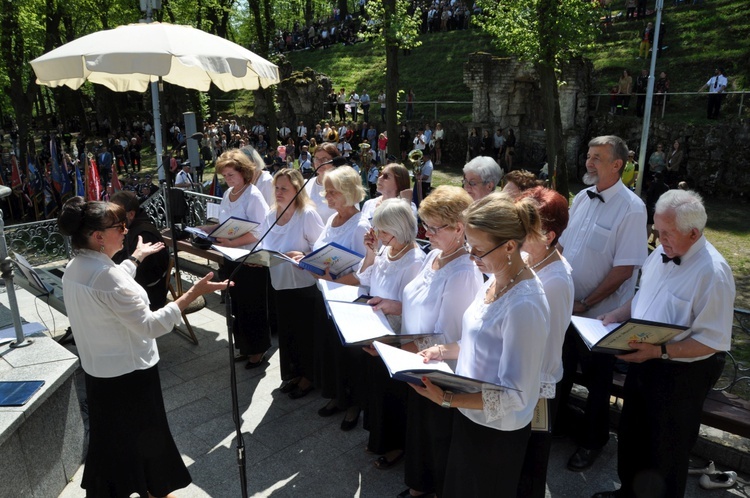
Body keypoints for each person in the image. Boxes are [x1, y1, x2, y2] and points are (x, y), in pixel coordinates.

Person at [58, 197, 228, 498]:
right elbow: (151, 326)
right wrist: (191, 293)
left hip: (100, 373)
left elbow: (110, 285)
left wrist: (135, 258)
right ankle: (155, 488)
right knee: (147, 436)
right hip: (130, 373)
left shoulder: (77, 265)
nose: (126, 230)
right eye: (119, 227)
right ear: (98, 237)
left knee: (113, 439)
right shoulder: (106, 277)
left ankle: (147, 488)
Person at [592, 190, 734, 498]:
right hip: (646, 357)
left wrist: (659, 351)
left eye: (666, 233)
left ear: (694, 233)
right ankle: (627, 492)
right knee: (632, 437)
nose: (659, 238)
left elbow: (713, 342)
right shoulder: (661, 252)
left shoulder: (714, 274)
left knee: (666, 451)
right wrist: (617, 314)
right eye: (657, 229)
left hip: (681, 374)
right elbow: (646, 295)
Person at [413, 193, 550, 497]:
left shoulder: (524, 305)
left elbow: (515, 394)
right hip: (469, 414)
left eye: (478, 248)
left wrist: (448, 399)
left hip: (495, 433)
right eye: (469, 245)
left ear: (510, 246)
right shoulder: (496, 277)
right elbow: (477, 340)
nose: (471, 256)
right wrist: (441, 351)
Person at [369, 186, 482, 498]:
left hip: (436, 366)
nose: (426, 233)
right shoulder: (435, 254)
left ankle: (429, 488)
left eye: (434, 228)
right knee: (418, 428)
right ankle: (420, 484)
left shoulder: (463, 271)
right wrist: (391, 307)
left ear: (459, 228)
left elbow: (445, 337)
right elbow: (415, 301)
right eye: (425, 226)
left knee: (435, 432)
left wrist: (391, 349)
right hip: (413, 358)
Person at [557, 135, 648, 472]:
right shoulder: (581, 197)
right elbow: (563, 248)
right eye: (589, 155)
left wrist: (586, 302)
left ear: (617, 165)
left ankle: (593, 441)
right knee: (562, 369)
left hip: (601, 317)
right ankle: (559, 425)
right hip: (569, 307)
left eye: (597, 158)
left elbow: (625, 268)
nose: (589, 162)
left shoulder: (632, 208)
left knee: (598, 384)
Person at [357, 199, 425, 468]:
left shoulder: (415, 260)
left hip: (396, 336)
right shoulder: (387, 250)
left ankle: (396, 445)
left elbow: (414, 305)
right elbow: (365, 279)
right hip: (375, 328)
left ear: (401, 228)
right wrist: (372, 252)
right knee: (377, 389)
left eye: (384, 232)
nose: (380, 236)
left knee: (393, 393)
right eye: (378, 230)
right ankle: (379, 437)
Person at [516, 187, 574, 498]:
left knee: (531, 463)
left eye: (525, 229)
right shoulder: (532, 258)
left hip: (537, 385)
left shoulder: (555, 280)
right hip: (524, 379)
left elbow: (549, 347)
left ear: (548, 236)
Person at [309, 165, 370, 430]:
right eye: (326, 192)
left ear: (349, 192)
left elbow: (364, 274)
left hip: (350, 302)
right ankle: (337, 396)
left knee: (351, 356)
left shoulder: (361, 225)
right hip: (327, 296)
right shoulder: (332, 219)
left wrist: (331, 278)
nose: (328, 197)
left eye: (333, 192)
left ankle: (355, 403)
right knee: (332, 350)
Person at [260, 168, 325, 399]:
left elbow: (321, 249)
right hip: (279, 283)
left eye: (284, 188)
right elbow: (264, 244)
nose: (278, 192)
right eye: (276, 188)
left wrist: (304, 256)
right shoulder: (270, 215)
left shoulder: (307, 214)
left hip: (304, 285)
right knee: (287, 334)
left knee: (305, 333)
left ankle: (309, 377)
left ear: (297, 190)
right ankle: (293, 374)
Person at [205, 149, 271, 369]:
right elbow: (224, 223)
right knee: (237, 306)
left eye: (231, 175)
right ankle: (244, 346)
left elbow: (261, 230)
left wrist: (233, 242)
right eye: (225, 176)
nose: (228, 180)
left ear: (243, 172)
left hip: (251, 259)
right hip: (230, 258)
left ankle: (258, 349)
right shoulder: (227, 194)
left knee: (253, 306)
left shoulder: (253, 195)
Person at [110, 191, 170, 311]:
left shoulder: (144, 234)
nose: (113, 218)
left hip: (148, 297)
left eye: (116, 214)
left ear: (131, 214)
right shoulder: (128, 227)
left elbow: (148, 276)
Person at [305, 141, 341, 222]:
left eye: (324, 159)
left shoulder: (342, 187)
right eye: (316, 159)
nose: (319, 163)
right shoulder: (306, 184)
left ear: (334, 162)